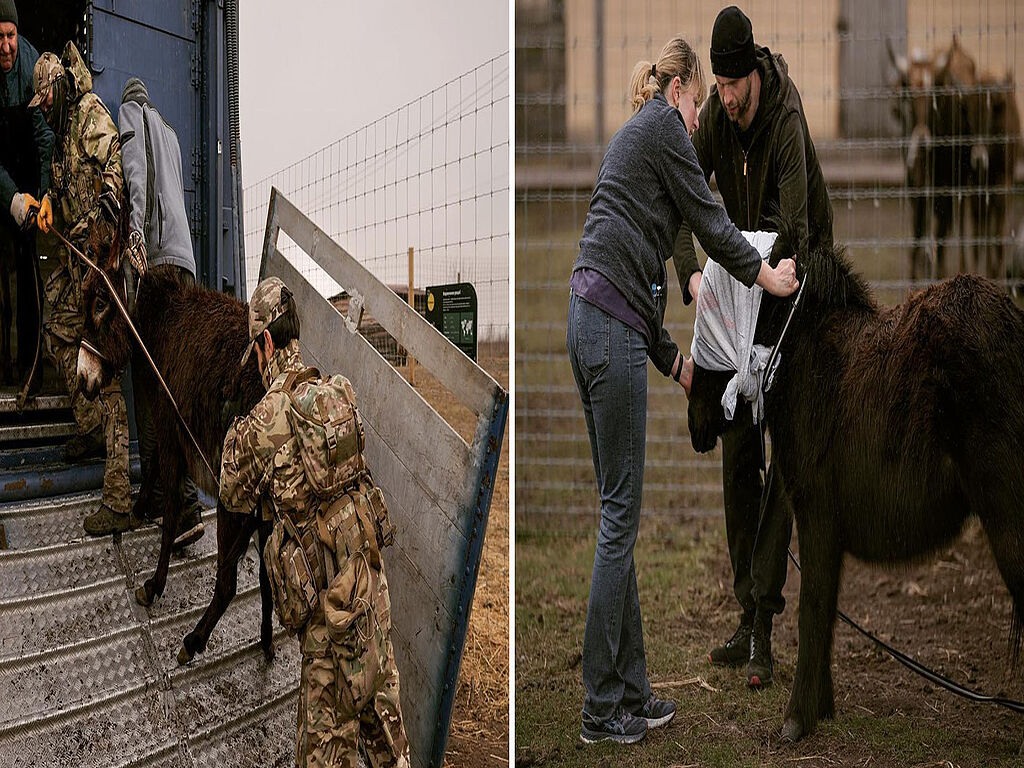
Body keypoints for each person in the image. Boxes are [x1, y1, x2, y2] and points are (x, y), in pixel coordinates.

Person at [567, 35, 799, 745]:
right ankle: (600, 709)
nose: (702, 115)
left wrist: (677, 365)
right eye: (699, 99)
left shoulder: (641, 133)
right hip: (609, 331)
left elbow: (625, 267)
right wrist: (767, 277)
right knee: (617, 524)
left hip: (596, 324)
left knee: (618, 518)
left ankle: (632, 693)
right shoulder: (667, 128)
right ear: (681, 90)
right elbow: (712, 223)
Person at [673, 5, 835, 690]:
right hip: (742, 291)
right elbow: (682, 194)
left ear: (755, 78)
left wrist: (755, 280)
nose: (729, 95)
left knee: (783, 452)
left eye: (737, 83)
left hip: (795, 285)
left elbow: (794, 232)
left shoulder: (787, 120)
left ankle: (768, 624)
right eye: (721, 83)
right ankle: (746, 616)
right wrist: (687, 266)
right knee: (737, 451)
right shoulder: (715, 117)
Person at [220, 277, 410, 768]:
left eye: (255, 352)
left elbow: (231, 492)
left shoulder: (263, 421)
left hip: (331, 618)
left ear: (264, 343)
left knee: (325, 752)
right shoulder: (338, 392)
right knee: (387, 732)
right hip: (370, 591)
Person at [29, 42, 133, 536]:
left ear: (58, 89)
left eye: (45, 99)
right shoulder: (59, 138)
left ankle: (118, 498)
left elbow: (115, 160)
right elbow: (63, 185)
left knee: (104, 371)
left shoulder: (89, 114)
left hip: (101, 269)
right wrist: (49, 201)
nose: (43, 108)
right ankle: (90, 429)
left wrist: (108, 210)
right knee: (54, 327)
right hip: (76, 267)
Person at [118, 76, 204, 549]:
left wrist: (136, 253)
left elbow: (138, 180)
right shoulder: (170, 132)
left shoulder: (130, 117)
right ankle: (154, 495)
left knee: (156, 385)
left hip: (157, 264)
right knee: (159, 383)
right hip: (185, 263)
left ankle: (185, 504)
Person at [0, 0, 51, 395]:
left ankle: (30, 371)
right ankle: (3, 368)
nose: (5, 46)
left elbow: (44, 137)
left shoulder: (31, 64)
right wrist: (9, 197)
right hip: (1, 185)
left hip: (29, 180)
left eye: (11, 35)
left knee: (29, 275)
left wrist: (44, 193)